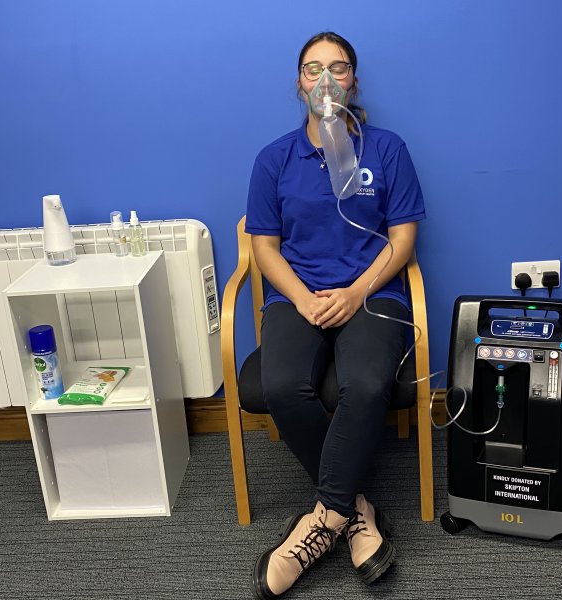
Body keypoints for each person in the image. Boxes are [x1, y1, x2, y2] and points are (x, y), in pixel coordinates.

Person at [246, 31, 426, 599]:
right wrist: (303, 299)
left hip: (372, 293)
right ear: (298, 83)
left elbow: (403, 241)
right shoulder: (274, 159)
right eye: (313, 69)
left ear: (354, 81)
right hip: (297, 294)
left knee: (367, 384)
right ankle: (355, 511)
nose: (325, 80)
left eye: (338, 68)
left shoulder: (386, 149)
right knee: (280, 386)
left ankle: (323, 520)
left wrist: (355, 292)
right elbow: (264, 247)